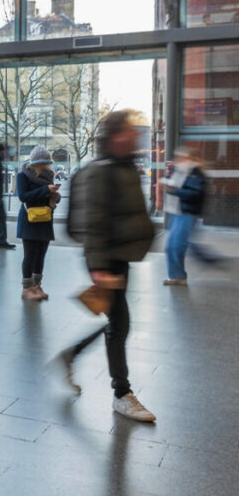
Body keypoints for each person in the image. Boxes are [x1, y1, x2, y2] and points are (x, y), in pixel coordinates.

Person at [56, 111, 156, 422]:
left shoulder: (122, 166)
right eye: (129, 131)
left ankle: (72, 355)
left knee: (117, 322)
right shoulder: (102, 171)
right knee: (120, 323)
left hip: (121, 257)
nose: (136, 136)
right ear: (116, 137)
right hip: (108, 261)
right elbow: (93, 220)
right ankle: (121, 393)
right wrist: (97, 266)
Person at [163, 148, 217, 285]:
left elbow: (196, 194)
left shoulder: (196, 173)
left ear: (191, 159)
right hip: (176, 212)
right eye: (178, 157)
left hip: (187, 213)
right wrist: (169, 177)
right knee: (171, 246)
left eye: (182, 157)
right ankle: (176, 275)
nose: (179, 159)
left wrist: (175, 191)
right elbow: (173, 185)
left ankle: (180, 276)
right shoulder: (180, 171)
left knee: (177, 246)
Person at [17, 146, 61, 301]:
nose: (45, 166)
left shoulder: (49, 175)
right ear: (34, 162)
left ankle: (37, 285)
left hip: (45, 217)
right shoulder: (23, 175)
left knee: (41, 253)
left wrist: (55, 195)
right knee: (30, 254)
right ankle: (26, 288)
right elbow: (23, 196)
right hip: (30, 218)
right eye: (42, 163)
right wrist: (45, 190)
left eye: (46, 163)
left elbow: (48, 194)